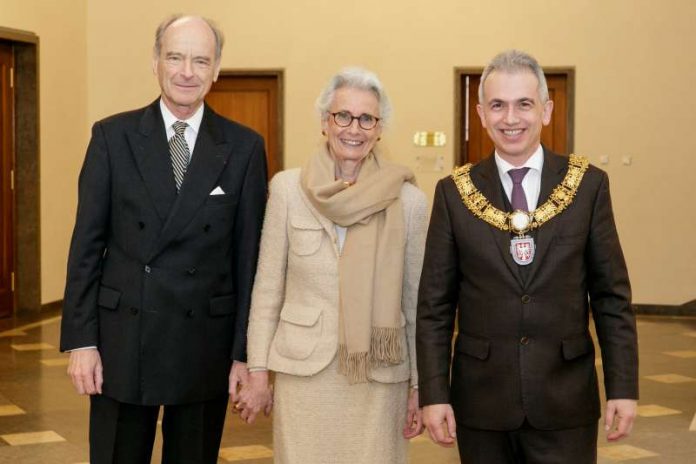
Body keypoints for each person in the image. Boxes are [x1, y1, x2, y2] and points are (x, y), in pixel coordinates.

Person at [60, 15, 267, 464]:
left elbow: (248, 261)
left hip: (203, 344)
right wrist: (82, 342)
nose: (186, 72)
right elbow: (86, 248)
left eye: (200, 60)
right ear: (155, 61)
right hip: (122, 340)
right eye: (174, 57)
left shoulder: (244, 147)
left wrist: (245, 355)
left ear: (216, 70)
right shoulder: (111, 137)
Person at [416, 49, 639, 463]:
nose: (511, 118)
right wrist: (434, 394)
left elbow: (612, 298)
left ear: (546, 110)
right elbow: (434, 307)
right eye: (498, 105)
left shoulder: (588, 186)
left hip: (565, 400)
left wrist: (623, 387)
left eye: (524, 104)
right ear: (481, 113)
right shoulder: (453, 193)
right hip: (481, 402)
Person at [238, 67, 427, 463]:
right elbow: (268, 288)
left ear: (379, 129)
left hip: (380, 377)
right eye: (343, 116)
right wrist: (258, 371)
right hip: (304, 373)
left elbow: (417, 303)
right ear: (325, 122)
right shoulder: (287, 190)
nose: (353, 129)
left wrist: (420, 387)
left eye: (366, 119)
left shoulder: (408, 202)